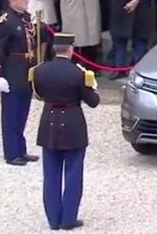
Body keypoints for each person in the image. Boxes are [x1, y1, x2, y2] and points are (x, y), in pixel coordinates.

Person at [30, 32, 100, 230]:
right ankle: (68, 218)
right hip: (72, 124)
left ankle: (53, 220)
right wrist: (93, 87)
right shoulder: (78, 73)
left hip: (49, 122)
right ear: (71, 50)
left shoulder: (40, 71)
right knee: (72, 173)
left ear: (54, 49)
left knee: (51, 174)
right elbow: (93, 102)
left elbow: (38, 94)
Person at [0, 0, 50, 166]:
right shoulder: (5, 22)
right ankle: (11, 153)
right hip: (12, 71)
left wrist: (44, 28)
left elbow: (39, 38)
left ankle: (20, 150)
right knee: (11, 115)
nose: (26, 1)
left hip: (26, 71)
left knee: (22, 112)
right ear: (12, 0)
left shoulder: (26, 18)